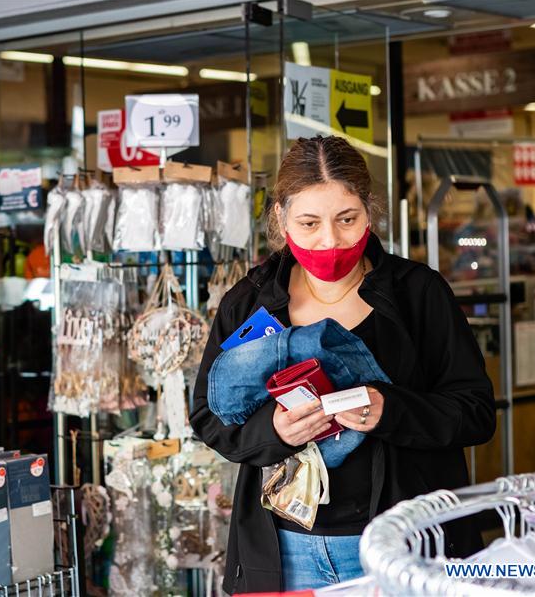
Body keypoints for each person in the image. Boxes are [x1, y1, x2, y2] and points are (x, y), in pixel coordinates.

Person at [190, 135, 496, 594]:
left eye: (347, 219)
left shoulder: (418, 294)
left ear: (369, 211)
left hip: (402, 546)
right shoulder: (250, 302)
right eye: (309, 223)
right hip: (284, 550)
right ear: (281, 217)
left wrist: (390, 409)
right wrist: (274, 431)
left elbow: (475, 411)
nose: (330, 240)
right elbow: (208, 417)